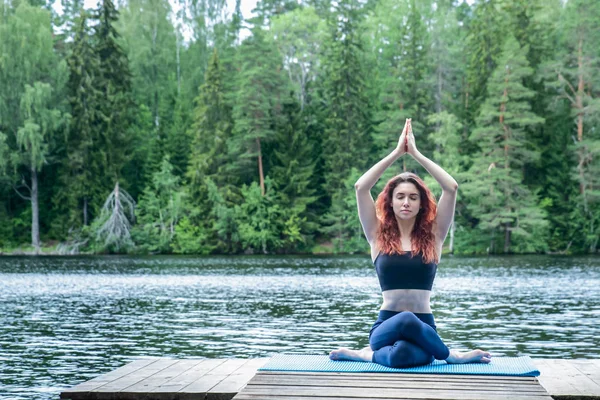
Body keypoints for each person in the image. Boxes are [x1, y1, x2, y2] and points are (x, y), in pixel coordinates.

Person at [329, 118, 491, 368]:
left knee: (401, 356)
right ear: (390, 202)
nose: (406, 202)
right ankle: (450, 355)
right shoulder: (377, 235)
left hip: (425, 326)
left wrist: (415, 153)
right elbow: (361, 187)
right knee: (405, 318)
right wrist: (396, 152)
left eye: (413, 197)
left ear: (421, 203)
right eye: (400, 196)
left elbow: (451, 187)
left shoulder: (434, 236)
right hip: (386, 326)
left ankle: (366, 355)